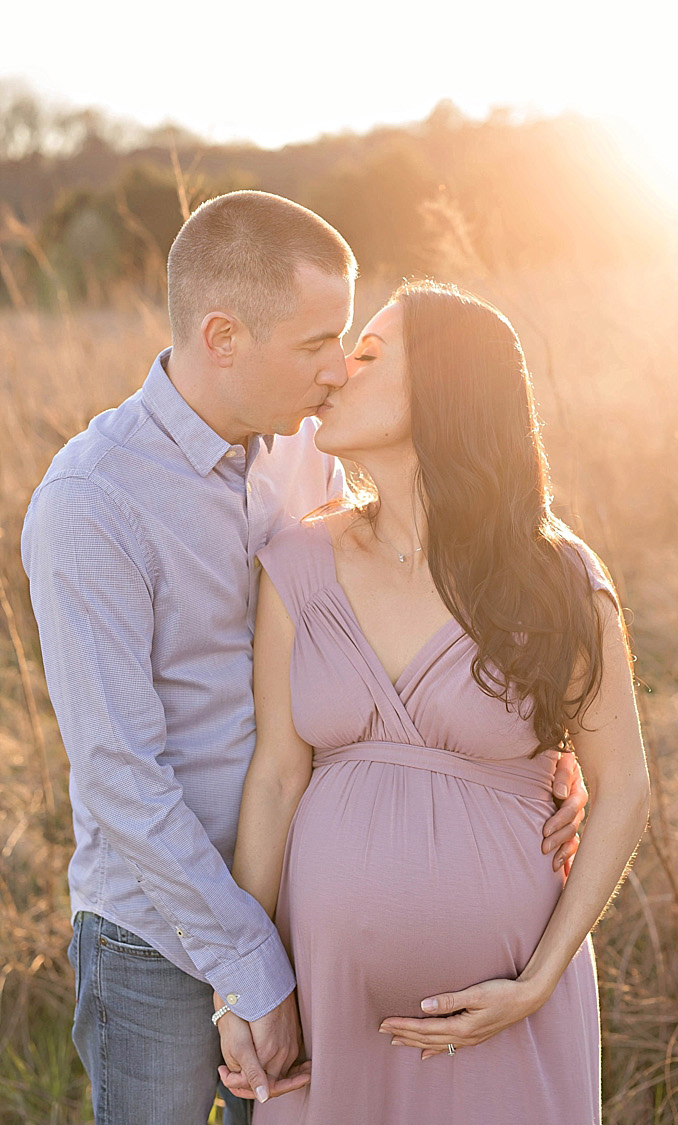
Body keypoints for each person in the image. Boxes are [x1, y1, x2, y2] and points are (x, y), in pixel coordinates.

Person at [20, 191, 587, 1125]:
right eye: (317, 343)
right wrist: (249, 963)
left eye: (350, 340)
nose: (337, 372)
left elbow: (388, 620)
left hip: (302, 910)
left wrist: (531, 763)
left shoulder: (304, 457)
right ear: (223, 337)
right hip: (156, 936)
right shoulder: (92, 503)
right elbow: (120, 774)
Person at [217, 279, 650, 1123]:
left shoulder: (558, 580)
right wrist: (244, 986)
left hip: (505, 1020)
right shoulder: (297, 564)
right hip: (330, 1016)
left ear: (447, 390)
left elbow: (624, 787)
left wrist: (537, 982)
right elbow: (275, 778)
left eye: (369, 354)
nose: (338, 371)